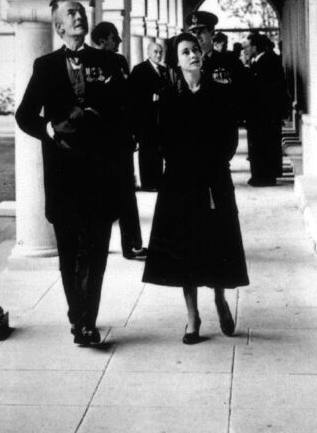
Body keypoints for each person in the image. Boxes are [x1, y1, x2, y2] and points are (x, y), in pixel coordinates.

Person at [16, 1, 131, 346]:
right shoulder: (45, 66)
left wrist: (101, 119)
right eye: (71, 13)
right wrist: (50, 129)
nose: (79, 16)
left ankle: (86, 321)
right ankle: (77, 315)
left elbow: (124, 112)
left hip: (99, 174)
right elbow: (24, 115)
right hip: (62, 175)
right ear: (59, 27)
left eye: (81, 11)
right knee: (69, 252)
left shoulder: (109, 62)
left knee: (96, 252)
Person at [143, 32, 249, 344]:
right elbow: (162, 140)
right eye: (185, 52)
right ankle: (192, 316)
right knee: (183, 248)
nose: (193, 55)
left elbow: (229, 138)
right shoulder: (167, 96)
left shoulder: (219, 93)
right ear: (176, 61)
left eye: (195, 50)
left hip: (214, 178)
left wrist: (213, 164)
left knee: (217, 242)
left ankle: (220, 298)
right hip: (180, 181)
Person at [91, 21, 147, 261]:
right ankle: (98, 245)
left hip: (121, 139)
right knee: (99, 194)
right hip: (99, 141)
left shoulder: (120, 61)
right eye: (115, 37)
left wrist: (134, 132)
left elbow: (130, 98)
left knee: (126, 191)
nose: (120, 41)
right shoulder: (89, 62)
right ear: (102, 40)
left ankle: (132, 244)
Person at [245, 32, 290, 187]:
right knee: (260, 144)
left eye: (248, 46)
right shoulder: (258, 60)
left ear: (255, 47)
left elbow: (269, 89)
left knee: (265, 145)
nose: (246, 49)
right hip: (260, 112)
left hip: (266, 113)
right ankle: (260, 175)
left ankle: (265, 176)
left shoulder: (269, 61)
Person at [128, 41, 170, 191]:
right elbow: (133, 95)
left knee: (158, 150)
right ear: (148, 53)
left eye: (160, 52)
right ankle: (148, 183)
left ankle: (157, 181)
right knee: (147, 150)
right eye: (155, 52)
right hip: (145, 118)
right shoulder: (139, 70)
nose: (158, 55)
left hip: (160, 118)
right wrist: (150, 98)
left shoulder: (164, 71)